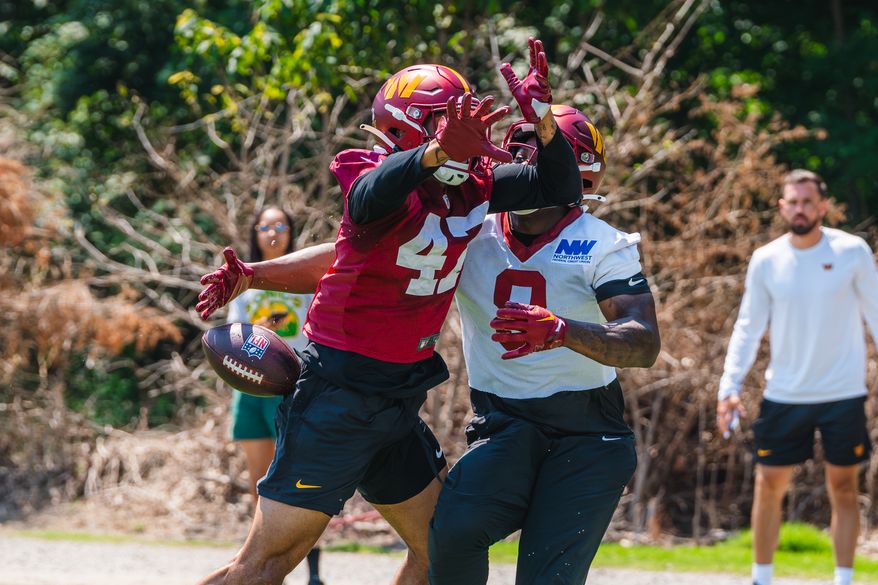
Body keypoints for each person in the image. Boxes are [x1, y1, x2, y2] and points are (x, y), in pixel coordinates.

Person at [194, 37, 583, 585]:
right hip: (336, 398)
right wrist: (433, 154)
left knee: (438, 552)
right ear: (412, 130)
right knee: (265, 566)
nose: (471, 138)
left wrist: (542, 120)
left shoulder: (472, 186)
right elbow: (365, 201)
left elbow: (559, 185)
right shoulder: (373, 173)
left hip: (396, 401)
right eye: (448, 124)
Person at [428, 105, 660, 585]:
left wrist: (562, 331)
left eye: (538, 151)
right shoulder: (470, 229)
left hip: (587, 434)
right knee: (452, 533)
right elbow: (361, 256)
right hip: (503, 422)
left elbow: (643, 344)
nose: (521, 159)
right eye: (516, 148)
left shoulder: (601, 243)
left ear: (576, 174)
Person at [717, 170, 878, 585]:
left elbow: (877, 316)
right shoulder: (767, 259)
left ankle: (843, 579)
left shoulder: (852, 251)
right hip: (785, 394)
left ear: (823, 206)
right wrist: (729, 386)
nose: (800, 209)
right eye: (793, 201)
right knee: (768, 485)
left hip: (843, 393)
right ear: (782, 207)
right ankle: (761, 578)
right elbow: (748, 327)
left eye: (808, 202)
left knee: (843, 487)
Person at [225, 206, 323, 585]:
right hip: (250, 390)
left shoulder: (307, 277)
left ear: (290, 231)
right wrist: (259, 329)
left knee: (298, 483)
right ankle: (260, 567)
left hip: (291, 390)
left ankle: (314, 572)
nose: (273, 232)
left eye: (281, 225)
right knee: (259, 483)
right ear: (255, 231)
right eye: (266, 225)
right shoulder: (244, 281)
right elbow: (233, 338)